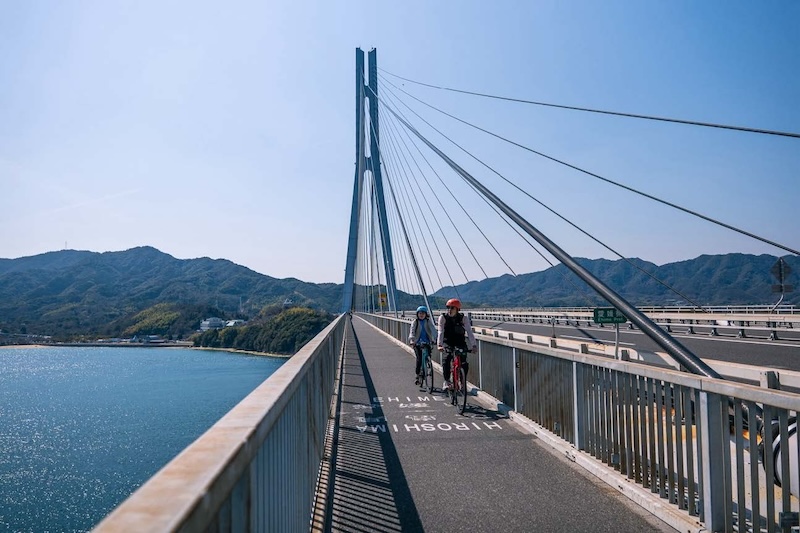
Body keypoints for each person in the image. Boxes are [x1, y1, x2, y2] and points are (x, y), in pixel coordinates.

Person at [437, 298, 477, 390]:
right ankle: (447, 381)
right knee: (446, 359)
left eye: (452, 308)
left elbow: (469, 332)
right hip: (448, 342)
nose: (449, 310)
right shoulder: (443, 318)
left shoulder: (463, 318)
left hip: (460, 342)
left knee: (464, 363)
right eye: (448, 308)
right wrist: (439, 345)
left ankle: (463, 382)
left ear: (457, 309)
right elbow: (440, 332)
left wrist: (474, 345)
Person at [408, 305, 436, 385]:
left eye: (423, 313)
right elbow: (412, 331)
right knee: (419, 359)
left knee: (428, 357)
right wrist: (412, 340)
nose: (421, 315)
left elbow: (433, 330)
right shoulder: (415, 322)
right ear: (417, 314)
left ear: (426, 314)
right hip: (417, 343)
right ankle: (417, 375)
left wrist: (436, 338)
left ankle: (426, 369)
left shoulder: (428, 321)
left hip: (427, 342)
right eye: (420, 313)